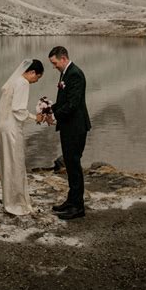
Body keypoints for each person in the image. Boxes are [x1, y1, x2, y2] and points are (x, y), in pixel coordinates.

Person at [0, 58, 44, 215]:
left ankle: (10, 201)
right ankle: (16, 204)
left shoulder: (14, 81)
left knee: (7, 165)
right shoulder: (23, 83)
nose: (36, 81)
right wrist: (36, 117)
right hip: (12, 129)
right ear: (32, 72)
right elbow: (18, 109)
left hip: (3, 127)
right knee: (16, 165)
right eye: (37, 77)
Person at [48, 46, 91, 220]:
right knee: (70, 164)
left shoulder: (75, 74)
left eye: (54, 63)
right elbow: (63, 100)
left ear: (63, 58)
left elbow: (73, 104)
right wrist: (49, 109)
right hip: (68, 126)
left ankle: (78, 207)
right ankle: (71, 201)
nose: (54, 66)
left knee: (74, 165)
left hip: (76, 127)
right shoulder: (66, 73)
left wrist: (53, 115)